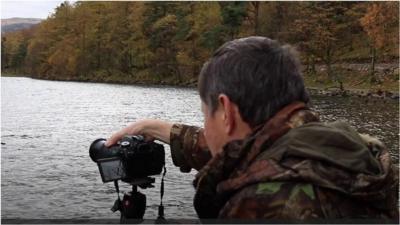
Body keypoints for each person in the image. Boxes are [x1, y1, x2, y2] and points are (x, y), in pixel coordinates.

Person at [105, 37, 398, 222]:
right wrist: (154, 128)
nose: (206, 125)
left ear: (227, 112)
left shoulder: (262, 206)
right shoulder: (342, 152)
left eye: (206, 113)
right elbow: (245, 153)